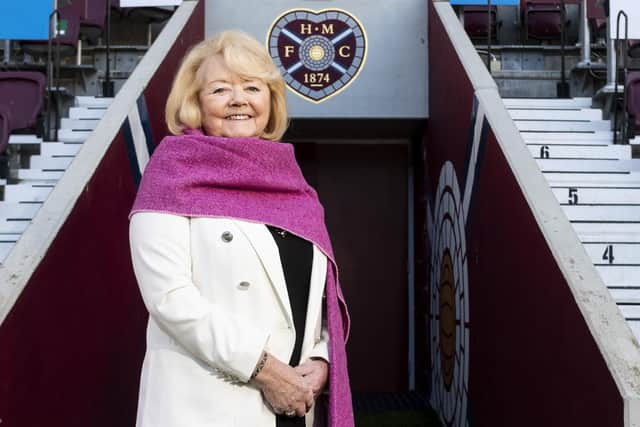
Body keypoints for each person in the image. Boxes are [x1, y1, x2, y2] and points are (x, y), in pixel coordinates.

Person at [128, 30, 353, 427]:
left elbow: (316, 301)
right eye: (220, 89)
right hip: (206, 407)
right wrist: (267, 371)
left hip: (292, 409)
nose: (239, 100)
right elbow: (170, 299)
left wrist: (321, 358)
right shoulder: (171, 174)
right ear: (195, 102)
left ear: (270, 100)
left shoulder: (295, 187)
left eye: (253, 87)